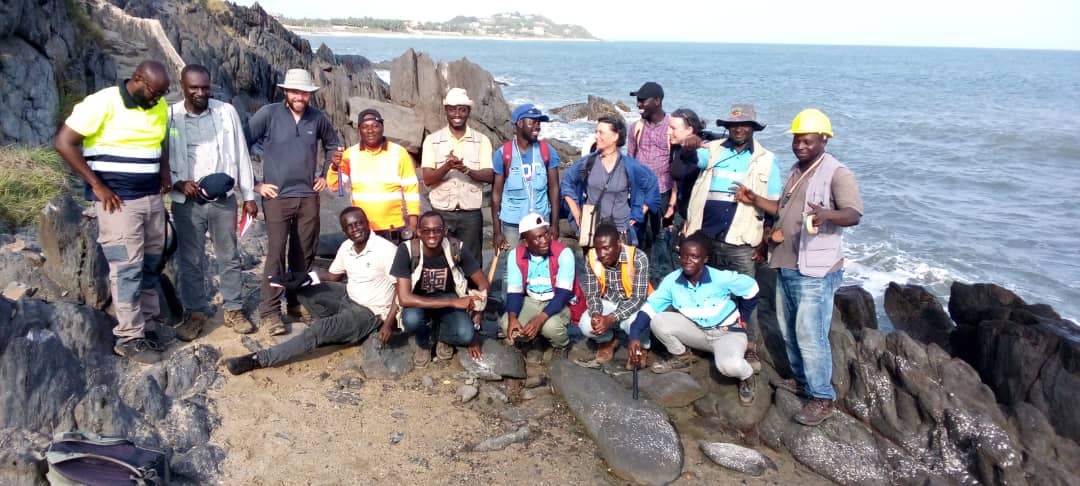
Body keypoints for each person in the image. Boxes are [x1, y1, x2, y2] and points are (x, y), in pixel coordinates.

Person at [733, 108, 863, 426]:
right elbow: (782, 208)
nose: (800, 146)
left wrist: (828, 215)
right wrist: (754, 199)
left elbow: (853, 213)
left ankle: (821, 397)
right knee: (790, 328)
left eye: (807, 141)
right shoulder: (796, 170)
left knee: (811, 334)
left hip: (816, 269)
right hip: (787, 262)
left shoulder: (837, 172)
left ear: (823, 140)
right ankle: (801, 381)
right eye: (797, 140)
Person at [54, 60, 172, 364]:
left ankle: (147, 324)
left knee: (152, 263)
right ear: (138, 79)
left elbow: (162, 139)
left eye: (163, 94)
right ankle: (129, 336)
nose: (158, 99)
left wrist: (164, 171)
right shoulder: (102, 103)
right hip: (118, 202)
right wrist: (97, 185)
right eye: (155, 93)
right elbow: (64, 143)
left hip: (151, 197)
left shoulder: (158, 106)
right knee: (127, 267)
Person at [222, 207, 399, 375]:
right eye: (350, 226)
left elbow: (401, 289)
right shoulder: (347, 246)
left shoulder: (385, 250)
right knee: (303, 289)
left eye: (359, 223)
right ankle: (337, 331)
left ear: (367, 223)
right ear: (344, 230)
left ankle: (258, 359)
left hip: (370, 312)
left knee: (317, 331)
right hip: (349, 297)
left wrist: (388, 323)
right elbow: (333, 275)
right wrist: (302, 278)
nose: (356, 229)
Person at [684, 104, 783, 373]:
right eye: (733, 125)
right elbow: (691, 160)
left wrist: (764, 241)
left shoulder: (767, 160)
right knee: (705, 290)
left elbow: (775, 206)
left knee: (746, 294)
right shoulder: (713, 149)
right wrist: (688, 147)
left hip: (741, 239)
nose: (738, 129)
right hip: (705, 236)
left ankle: (749, 345)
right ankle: (705, 338)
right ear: (727, 128)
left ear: (753, 128)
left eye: (744, 125)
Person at [247, 68, 341, 335]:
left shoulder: (317, 118)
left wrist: (324, 175)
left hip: (308, 196)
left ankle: (297, 302)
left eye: (304, 92)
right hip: (276, 197)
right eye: (295, 92)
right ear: (286, 92)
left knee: (304, 253)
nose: (300, 96)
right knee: (276, 253)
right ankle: (270, 312)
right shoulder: (268, 114)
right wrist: (255, 184)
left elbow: (333, 146)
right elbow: (241, 143)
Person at [166, 64, 257, 339]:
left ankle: (233, 309)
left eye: (205, 87)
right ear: (182, 86)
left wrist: (248, 195)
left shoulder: (226, 112)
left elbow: (241, 152)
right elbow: (162, 158)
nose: (200, 92)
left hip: (222, 199)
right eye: (193, 87)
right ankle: (196, 313)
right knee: (191, 260)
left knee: (229, 256)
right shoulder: (170, 116)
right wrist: (178, 183)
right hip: (186, 201)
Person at [627, 233, 760, 405]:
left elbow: (752, 289)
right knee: (658, 320)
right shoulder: (672, 281)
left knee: (729, 366)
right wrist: (634, 335)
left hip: (727, 334)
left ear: (705, 259)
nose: (687, 261)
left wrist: (744, 317)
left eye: (694, 256)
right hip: (699, 332)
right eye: (684, 255)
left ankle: (747, 377)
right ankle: (683, 357)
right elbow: (650, 308)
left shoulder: (721, 278)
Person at [391, 211, 487, 366]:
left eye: (437, 230)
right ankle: (424, 341)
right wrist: (453, 302)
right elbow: (404, 298)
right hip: (418, 301)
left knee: (466, 335)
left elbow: (482, 281)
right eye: (426, 231)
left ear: (445, 231)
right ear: (419, 232)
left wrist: (478, 312)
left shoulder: (456, 247)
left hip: (447, 295)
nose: (432, 235)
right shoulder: (406, 250)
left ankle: (440, 334)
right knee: (411, 320)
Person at [491, 103, 562, 308]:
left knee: (542, 265)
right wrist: (497, 231)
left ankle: (540, 308)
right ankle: (509, 311)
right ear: (519, 123)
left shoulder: (547, 151)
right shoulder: (503, 153)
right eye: (533, 122)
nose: (537, 126)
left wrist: (554, 224)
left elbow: (554, 189)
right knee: (512, 267)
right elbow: (496, 194)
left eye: (539, 122)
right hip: (513, 224)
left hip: (540, 221)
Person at [420, 88, 493, 266]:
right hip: (441, 212)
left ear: (468, 111)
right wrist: (448, 166)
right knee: (441, 260)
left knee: (472, 261)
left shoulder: (481, 140)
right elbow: (428, 179)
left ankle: (471, 285)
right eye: (452, 109)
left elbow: (489, 175)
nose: (457, 114)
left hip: (471, 213)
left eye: (462, 109)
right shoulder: (432, 140)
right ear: (446, 110)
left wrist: (465, 169)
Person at [562, 115, 660, 247]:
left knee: (623, 261)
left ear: (615, 137)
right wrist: (576, 212)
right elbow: (567, 181)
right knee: (593, 261)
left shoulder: (628, 165)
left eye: (601, 132)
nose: (596, 136)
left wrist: (639, 212)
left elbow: (651, 182)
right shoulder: (588, 162)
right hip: (593, 230)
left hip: (621, 230)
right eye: (596, 132)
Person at [327, 109, 420, 243]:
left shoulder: (399, 152)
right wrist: (335, 167)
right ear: (359, 130)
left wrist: (413, 224)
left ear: (382, 127)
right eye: (365, 127)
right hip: (362, 228)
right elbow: (335, 186)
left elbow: (411, 190)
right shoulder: (350, 154)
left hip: (393, 227)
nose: (370, 130)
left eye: (375, 126)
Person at [500, 213, 581, 361]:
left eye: (546, 234)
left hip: (558, 302)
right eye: (538, 237)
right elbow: (515, 292)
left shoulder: (564, 253)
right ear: (526, 242)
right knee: (507, 325)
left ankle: (561, 345)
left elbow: (562, 295)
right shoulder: (515, 255)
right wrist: (513, 318)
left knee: (551, 327)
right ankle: (531, 339)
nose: (545, 240)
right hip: (532, 299)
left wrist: (539, 319)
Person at [574, 223, 652, 369]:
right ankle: (607, 341)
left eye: (606, 248)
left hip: (634, 304)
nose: (601, 254)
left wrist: (610, 318)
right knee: (586, 324)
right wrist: (596, 314)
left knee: (635, 323)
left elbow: (638, 299)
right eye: (598, 249)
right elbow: (592, 293)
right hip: (610, 301)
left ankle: (641, 347)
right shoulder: (591, 257)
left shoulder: (638, 257)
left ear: (618, 243)